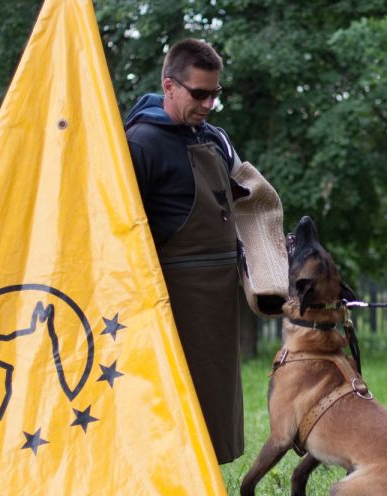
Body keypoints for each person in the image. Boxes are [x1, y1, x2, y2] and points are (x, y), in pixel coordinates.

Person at [123, 39, 245, 465]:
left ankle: (207, 492)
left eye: (215, 93)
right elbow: (122, 234)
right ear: (169, 86)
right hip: (173, 304)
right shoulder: (140, 143)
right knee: (172, 409)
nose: (209, 104)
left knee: (215, 407)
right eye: (199, 93)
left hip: (219, 300)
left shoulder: (213, 137)